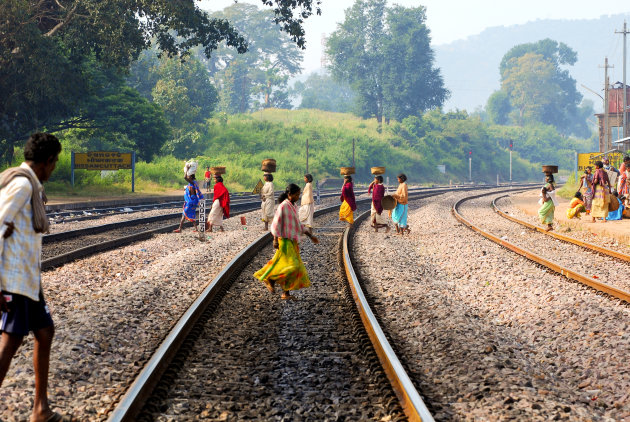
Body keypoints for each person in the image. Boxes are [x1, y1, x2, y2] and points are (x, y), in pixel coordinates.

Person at [0, 133, 64, 422]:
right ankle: (40, 410)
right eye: (55, 163)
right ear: (48, 161)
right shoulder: (23, 185)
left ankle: (40, 410)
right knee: (10, 341)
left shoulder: (28, 184)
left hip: (28, 280)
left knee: (44, 332)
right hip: (13, 279)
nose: (54, 169)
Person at [254, 184, 319, 300]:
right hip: (284, 241)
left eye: (299, 195)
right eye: (296, 195)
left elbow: (298, 224)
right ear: (289, 195)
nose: (298, 197)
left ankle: (285, 293)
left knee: (285, 265)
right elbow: (276, 223)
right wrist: (275, 239)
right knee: (292, 266)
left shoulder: (293, 206)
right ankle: (271, 279)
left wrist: (310, 235)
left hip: (291, 241)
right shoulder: (283, 206)